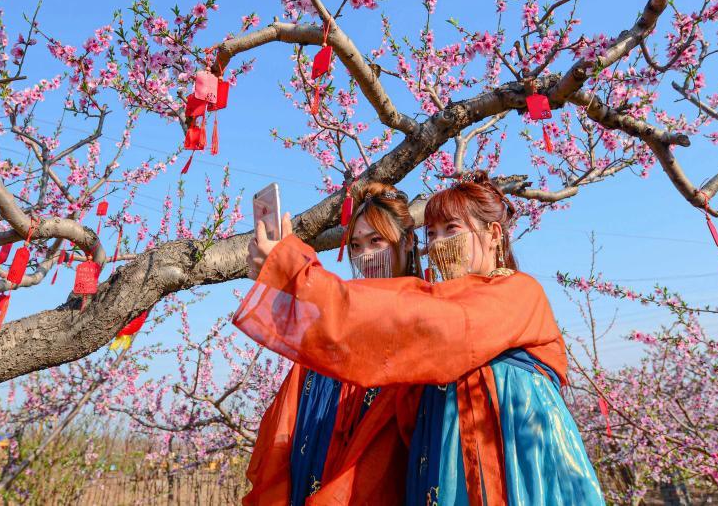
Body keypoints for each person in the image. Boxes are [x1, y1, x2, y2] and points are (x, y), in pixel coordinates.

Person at [237, 172, 604, 505]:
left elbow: (436, 323)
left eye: (452, 229)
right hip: (440, 468)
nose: (440, 243)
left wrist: (295, 275)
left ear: (493, 234)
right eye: (433, 233)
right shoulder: (433, 307)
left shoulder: (517, 292)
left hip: (516, 464)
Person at [242, 182, 422, 505]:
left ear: (408, 241)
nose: (364, 256)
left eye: (375, 241)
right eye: (355, 245)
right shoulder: (341, 315)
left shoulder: (423, 317)